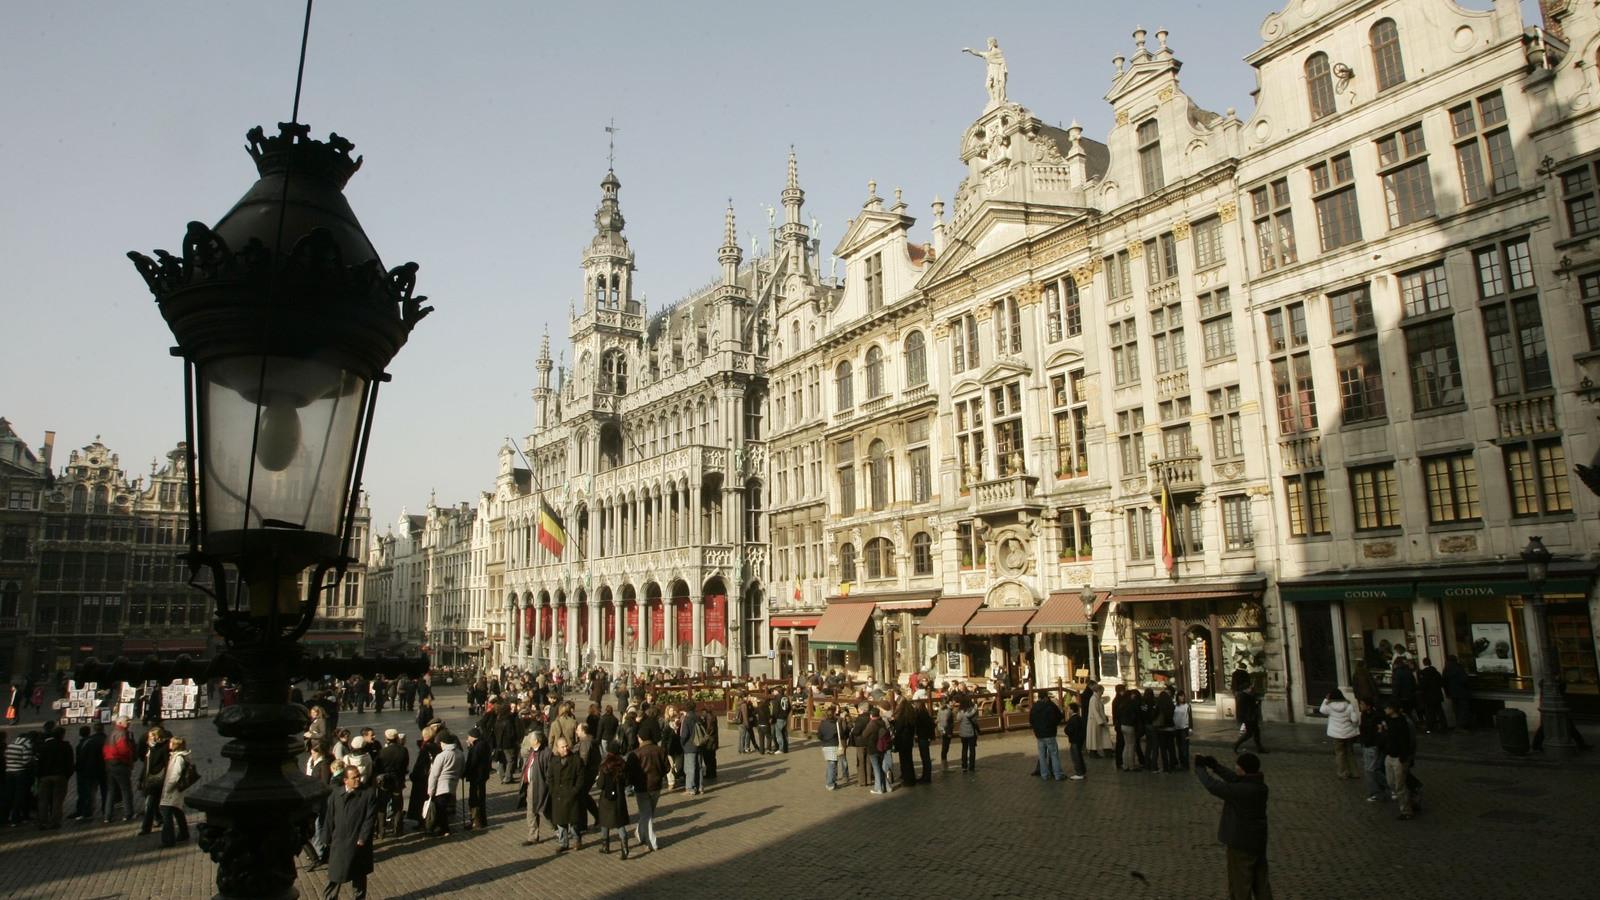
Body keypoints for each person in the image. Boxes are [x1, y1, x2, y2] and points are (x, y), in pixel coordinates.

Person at [1194, 752, 1272, 900]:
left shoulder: (1241, 790)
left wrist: (1200, 768)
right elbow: (1235, 779)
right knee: (1261, 884)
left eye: (1238, 765)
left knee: (1240, 885)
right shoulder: (1260, 786)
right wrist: (1215, 766)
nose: (1235, 767)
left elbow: (1213, 786)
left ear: (1243, 769)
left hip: (1241, 843)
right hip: (1258, 842)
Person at [323, 761, 379, 900]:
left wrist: (362, 838)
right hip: (339, 841)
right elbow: (329, 817)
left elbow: (370, 819)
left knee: (358, 875)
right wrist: (325, 838)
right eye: (354, 777)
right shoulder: (336, 794)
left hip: (357, 842)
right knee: (336, 874)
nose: (358, 779)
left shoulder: (368, 794)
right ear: (345, 780)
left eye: (358, 776)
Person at [626, 718, 668, 852]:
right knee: (649, 813)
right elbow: (666, 768)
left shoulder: (636, 754)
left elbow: (630, 773)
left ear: (640, 738)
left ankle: (650, 841)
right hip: (656, 785)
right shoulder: (659, 750)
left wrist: (630, 784)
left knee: (646, 814)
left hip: (642, 788)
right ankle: (641, 833)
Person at [1380, 699, 1419, 820]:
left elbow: (1407, 741)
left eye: (1387, 707)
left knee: (1400, 785)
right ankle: (1412, 799)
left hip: (1399, 757)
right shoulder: (1388, 721)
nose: (1385, 710)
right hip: (1389, 755)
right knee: (1391, 782)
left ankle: (1406, 811)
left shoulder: (1402, 723)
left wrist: (1404, 756)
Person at [548, 735, 584, 851]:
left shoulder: (576, 760)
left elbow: (580, 778)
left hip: (571, 795)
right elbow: (550, 778)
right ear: (557, 748)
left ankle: (577, 840)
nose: (565, 749)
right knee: (560, 822)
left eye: (566, 746)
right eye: (562, 747)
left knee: (573, 821)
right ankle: (563, 843)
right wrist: (553, 791)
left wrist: (575, 790)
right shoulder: (554, 761)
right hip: (558, 796)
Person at [157, 736, 194, 847]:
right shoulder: (178, 756)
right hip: (175, 790)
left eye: (171, 743)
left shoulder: (178, 758)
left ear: (175, 745)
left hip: (172, 790)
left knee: (166, 814)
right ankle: (184, 833)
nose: (169, 745)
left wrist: (167, 788)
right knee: (177, 810)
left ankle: (168, 840)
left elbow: (175, 775)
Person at [35, 726, 73, 829]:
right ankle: (55, 822)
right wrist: (67, 775)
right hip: (60, 776)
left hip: (45, 776)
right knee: (57, 800)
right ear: (62, 735)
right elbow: (70, 763)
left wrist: (39, 775)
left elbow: (39, 762)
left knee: (43, 800)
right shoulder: (66, 746)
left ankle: (42, 821)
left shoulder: (44, 746)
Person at [595, 748, 631, 858]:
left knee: (605, 822)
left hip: (606, 799)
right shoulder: (622, 765)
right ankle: (624, 848)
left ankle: (605, 846)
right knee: (620, 823)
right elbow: (627, 782)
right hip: (619, 798)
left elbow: (600, 785)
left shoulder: (604, 766)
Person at [425, 732, 462, 836]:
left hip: (441, 786)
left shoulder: (441, 756)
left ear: (443, 743)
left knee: (440, 809)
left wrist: (430, 790)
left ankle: (443, 829)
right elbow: (462, 769)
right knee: (444, 807)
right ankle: (442, 828)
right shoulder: (459, 753)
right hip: (453, 784)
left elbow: (434, 775)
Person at [101, 717, 137, 823]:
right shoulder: (122, 733)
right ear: (120, 723)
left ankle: (107, 816)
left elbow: (105, 750)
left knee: (111, 791)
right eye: (127, 721)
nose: (129, 723)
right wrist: (129, 763)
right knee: (125, 790)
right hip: (120, 764)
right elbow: (124, 750)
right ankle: (128, 813)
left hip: (109, 764)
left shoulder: (111, 734)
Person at [1319, 689, 1360, 779]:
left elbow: (1321, 710)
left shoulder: (1329, 706)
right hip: (1349, 733)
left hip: (1336, 734)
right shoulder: (1348, 705)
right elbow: (1355, 719)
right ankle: (1354, 772)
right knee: (1350, 752)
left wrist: (1326, 699)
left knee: (1339, 753)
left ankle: (1342, 773)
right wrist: (1354, 726)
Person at [520, 731, 552, 846]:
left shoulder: (546, 753)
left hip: (540, 785)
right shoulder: (532, 751)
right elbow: (523, 753)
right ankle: (532, 836)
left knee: (544, 811)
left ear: (536, 741)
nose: (529, 741)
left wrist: (547, 785)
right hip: (530, 785)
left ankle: (559, 829)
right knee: (531, 812)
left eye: (530, 739)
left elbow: (549, 772)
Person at [138, 727, 171, 836]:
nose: (149, 738)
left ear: (158, 737)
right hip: (149, 779)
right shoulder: (150, 748)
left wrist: (167, 779)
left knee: (150, 803)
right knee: (152, 803)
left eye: (152, 736)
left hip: (158, 780)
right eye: (149, 736)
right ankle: (158, 819)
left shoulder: (163, 748)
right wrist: (140, 779)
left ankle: (146, 827)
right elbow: (146, 765)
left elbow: (167, 765)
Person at [376, 729, 409, 837]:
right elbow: (405, 765)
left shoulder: (383, 751)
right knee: (398, 806)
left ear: (386, 738)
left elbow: (378, 766)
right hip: (397, 781)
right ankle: (398, 829)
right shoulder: (403, 750)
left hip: (385, 782)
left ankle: (381, 831)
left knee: (382, 806)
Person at [71, 723, 107, 822]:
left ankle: (88, 811)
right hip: (104, 769)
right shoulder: (106, 740)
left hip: (91, 770)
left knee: (90, 792)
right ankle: (106, 810)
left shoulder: (89, 741)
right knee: (105, 791)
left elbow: (82, 757)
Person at [1356, 697, 1387, 802]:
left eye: (1362, 704)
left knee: (1371, 770)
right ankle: (1382, 789)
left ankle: (1378, 791)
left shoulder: (1376, 717)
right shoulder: (1364, 715)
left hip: (1372, 745)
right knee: (1371, 769)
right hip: (1366, 744)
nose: (1360, 706)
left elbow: (1378, 731)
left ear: (1368, 705)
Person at [1028, 691, 1065, 781]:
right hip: (1050, 734)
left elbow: (1031, 720)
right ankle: (1057, 774)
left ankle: (1044, 775)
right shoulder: (1050, 706)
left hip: (1039, 735)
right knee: (1054, 754)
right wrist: (1054, 725)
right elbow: (1058, 717)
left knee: (1042, 755)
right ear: (1045, 697)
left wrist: (1036, 729)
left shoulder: (1034, 707)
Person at [463, 727, 493, 830]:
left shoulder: (477, 747)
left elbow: (472, 762)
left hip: (476, 777)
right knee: (480, 798)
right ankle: (481, 821)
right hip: (481, 776)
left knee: (475, 799)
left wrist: (465, 772)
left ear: (473, 737)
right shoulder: (483, 745)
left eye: (468, 737)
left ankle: (476, 822)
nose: (467, 739)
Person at [5, 728, 35, 826]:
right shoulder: (26, 745)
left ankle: (7, 816)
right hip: (20, 773)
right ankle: (16, 817)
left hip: (9, 772)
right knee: (19, 796)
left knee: (10, 794)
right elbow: (26, 761)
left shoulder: (10, 745)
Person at [1231, 686, 1266, 755]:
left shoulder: (1246, 696)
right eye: (1250, 689)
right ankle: (1236, 744)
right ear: (1246, 689)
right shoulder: (1243, 696)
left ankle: (1259, 748)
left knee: (1256, 732)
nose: (1252, 691)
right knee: (1249, 733)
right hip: (1249, 718)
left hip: (1251, 717)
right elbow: (1245, 708)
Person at [1416, 658, 1447, 733]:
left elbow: (1422, 685)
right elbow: (1441, 683)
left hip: (1428, 696)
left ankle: (1430, 728)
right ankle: (1443, 726)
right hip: (1437, 695)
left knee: (1429, 713)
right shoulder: (1436, 672)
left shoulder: (1423, 673)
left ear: (1423, 663)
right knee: (1439, 711)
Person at [816, 704, 843, 790]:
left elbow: (819, 735)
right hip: (833, 745)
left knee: (830, 764)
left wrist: (823, 739)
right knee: (832, 764)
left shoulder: (822, 723)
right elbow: (841, 734)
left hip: (825, 745)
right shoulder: (836, 724)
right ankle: (830, 783)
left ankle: (830, 780)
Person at [1442, 655, 1473, 730]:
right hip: (1462, 692)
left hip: (1452, 693)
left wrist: (1447, 693)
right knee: (1463, 709)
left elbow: (1444, 682)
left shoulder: (1446, 669)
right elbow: (1464, 680)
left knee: (1456, 710)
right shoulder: (1459, 668)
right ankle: (1462, 726)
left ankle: (1459, 725)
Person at [892, 701, 917, 789]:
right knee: (909, 760)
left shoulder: (902, 718)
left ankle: (907, 780)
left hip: (902, 741)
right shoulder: (911, 717)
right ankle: (911, 778)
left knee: (904, 761)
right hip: (909, 741)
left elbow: (898, 729)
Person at [1085, 682, 1111, 759]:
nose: (1102, 693)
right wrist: (1100, 721)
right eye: (1102, 691)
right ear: (1098, 691)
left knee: (1097, 737)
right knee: (1094, 737)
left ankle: (1102, 751)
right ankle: (1093, 752)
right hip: (1094, 722)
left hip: (1097, 721)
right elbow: (1095, 711)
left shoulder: (1097, 698)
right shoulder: (1093, 699)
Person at [1064, 702, 1088, 780]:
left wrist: (1067, 729)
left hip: (1074, 740)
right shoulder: (1079, 718)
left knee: (1076, 756)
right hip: (1079, 740)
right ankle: (1082, 771)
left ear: (1071, 710)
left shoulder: (1073, 719)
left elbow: (1069, 730)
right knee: (1079, 755)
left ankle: (1079, 772)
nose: (1068, 710)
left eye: (1069, 709)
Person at [913, 699, 935, 784]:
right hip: (924, 737)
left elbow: (920, 726)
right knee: (925, 757)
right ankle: (925, 776)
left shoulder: (921, 715)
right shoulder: (925, 714)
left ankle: (926, 777)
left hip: (923, 737)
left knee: (925, 757)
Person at [957, 698, 980, 772]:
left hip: (963, 734)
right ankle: (971, 766)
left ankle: (964, 766)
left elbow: (958, 719)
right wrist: (975, 706)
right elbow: (973, 712)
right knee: (972, 750)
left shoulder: (960, 712)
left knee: (964, 749)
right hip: (970, 733)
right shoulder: (969, 712)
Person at [1172, 690, 1193, 771]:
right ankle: (1181, 764)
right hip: (1177, 729)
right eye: (1180, 696)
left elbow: (1190, 717)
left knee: (1185, 748)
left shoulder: (1187, 706)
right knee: (1179, 747)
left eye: (1183, 696)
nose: (1182, 697)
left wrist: (1190, 728)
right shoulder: (1174, 705)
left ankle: (1186, 765)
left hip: (1184, 729)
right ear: (1177, 697)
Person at [935, 698, 955, 767]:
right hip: (946, 731)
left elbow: (938, 719)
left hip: (942, 730)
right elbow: (948, 723)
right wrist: (949, 731)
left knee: (944, 746)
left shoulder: (940, 710)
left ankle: (944, 763)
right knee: (945, 747)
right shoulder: (948, 711)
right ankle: (944, 764)